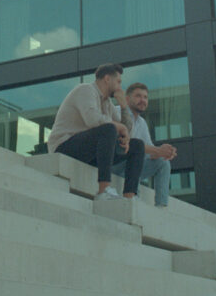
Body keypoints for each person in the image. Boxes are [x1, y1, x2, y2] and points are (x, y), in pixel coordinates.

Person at [47, 63, 145, 200]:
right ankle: (103, 190)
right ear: (107, 79)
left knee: (137, 145)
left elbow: (127, 130)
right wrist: (119, 127)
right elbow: (92, 120)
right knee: (109, 128)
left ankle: (130, 196)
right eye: (118, 81)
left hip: (88, 151)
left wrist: (123, 106)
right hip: (64, 146)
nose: (119, 87)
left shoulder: (107, 103)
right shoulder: (85, 90)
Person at [112, 82, 176, 207]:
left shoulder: (142, 123)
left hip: (129, 167)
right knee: (137, 152)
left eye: (145, 97)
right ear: (127, 98)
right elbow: (129, 145)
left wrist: (163, 152)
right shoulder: (116, 112)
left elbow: (150, 152)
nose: (142, 100)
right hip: (114, 164)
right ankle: (133, 197)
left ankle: (161, 206)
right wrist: (157, 151)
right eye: (138, 96)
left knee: (163, 162)